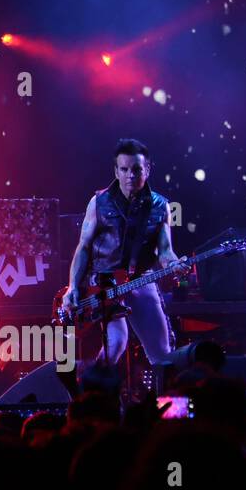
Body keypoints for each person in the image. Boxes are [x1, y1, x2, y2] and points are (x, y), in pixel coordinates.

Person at [64, 138, 185, 388]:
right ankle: (93, 397)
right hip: (105, 284)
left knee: (163, 354)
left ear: (147, 169)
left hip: (141, 280)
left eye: (137, 169)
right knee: (116, 344)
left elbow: (165, 251)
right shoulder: (99, 202)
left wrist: (173, 264)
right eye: (125, 169)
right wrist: (72, 287)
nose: (131, 175)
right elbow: (83, 247)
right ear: (116, 171)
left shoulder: (161, 206)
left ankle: (168, 415)